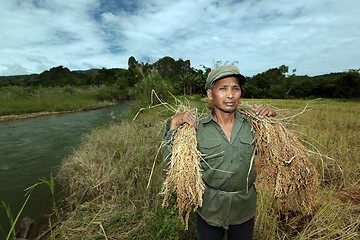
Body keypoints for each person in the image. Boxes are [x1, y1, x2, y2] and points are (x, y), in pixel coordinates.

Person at [162, 65, 277, 240]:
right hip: (209, 209)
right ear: (210, 94)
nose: (230, 95)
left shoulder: (255, 125)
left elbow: (279, 155)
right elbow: (172, 165)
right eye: (223, 88)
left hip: (243, 209)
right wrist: (173, 125)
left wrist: (273, 122)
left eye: (235, 88)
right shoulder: (196, 129)